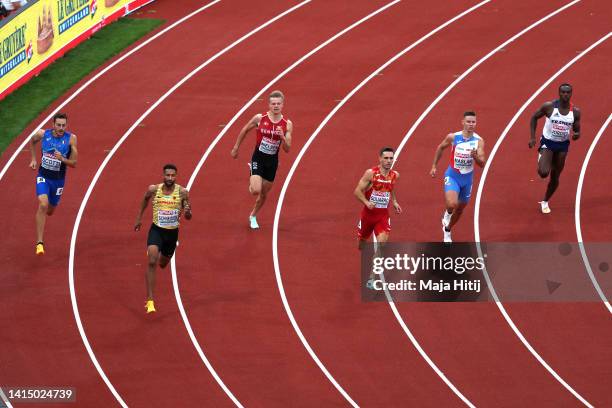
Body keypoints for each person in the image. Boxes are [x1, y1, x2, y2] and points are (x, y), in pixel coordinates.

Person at [230, 90, 292, 229]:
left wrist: (282, 137)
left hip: (272, 162)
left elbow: (287, 149)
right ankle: (253, 171)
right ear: (269, 105)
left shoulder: (287, 124)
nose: (276, 106)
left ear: (282, 105)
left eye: (278, 103)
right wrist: (236, 148)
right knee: (255, 190)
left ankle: (253, 216)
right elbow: (245, 129)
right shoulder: (260, 118)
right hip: (258, 157)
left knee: (263, 194)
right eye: (273, 103)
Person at [134, 164, 192, 314]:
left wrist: (187, 212)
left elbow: (188, 216)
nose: (170, 178)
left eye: (173, 176)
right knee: (152, 260)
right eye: (168, 175)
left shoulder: (183, 192)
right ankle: (150, 299)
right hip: (156, 230)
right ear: (163, 175)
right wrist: (139, 218)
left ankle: (165, 255)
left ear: (176, 176)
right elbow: (145, 199)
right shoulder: (154, 189)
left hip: (171, 234)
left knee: (163, 264)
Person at [430, 111, 486, 243]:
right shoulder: (453, 137)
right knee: (452, 204)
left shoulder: (479, 142)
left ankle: (447, 230)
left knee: (460, 209)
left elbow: (482, 163)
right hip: (453, 176)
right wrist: (434, 166)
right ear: (463, 122)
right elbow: (440, 147)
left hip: (467, 180)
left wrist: (475, 156)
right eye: (468, 121)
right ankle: (448, 213)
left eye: (473, 122)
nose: (471, 124)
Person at [28, 112, 78, 255]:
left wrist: (62, 158)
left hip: (58, 181)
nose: (61, 128)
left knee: (50, 211)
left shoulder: (71, 139)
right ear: (53, 125)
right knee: (43, 204)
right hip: (43, 176)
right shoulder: (43, 134)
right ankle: (39, 243)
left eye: (63, 125)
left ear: (66, 125)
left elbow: (74, 163)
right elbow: (31, 141)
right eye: (58, 125)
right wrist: (33, 159)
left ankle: (48, 208)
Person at [529, 83, 581, 214]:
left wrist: (576, 134)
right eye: (563, 92)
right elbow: (534, 117)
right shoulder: (549, 107)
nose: (565, 94)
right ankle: (543, 155)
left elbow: (576, 128)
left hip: (562, 146)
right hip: (548, 142)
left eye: (568, 92)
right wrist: (533, 138)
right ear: (559, 93)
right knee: (543, 173)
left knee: (555, 177)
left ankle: (545, 201)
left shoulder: (575, 112)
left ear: (571, 94)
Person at [354, 147, 402, 288]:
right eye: (385, 158)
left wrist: (394, 201)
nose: (388, 161)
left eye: (391, 158)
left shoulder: (395, 175)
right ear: (380, 159)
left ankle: (371, 278)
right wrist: (366, 202)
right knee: (361, 245)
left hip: (382, 217)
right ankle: (365, 247)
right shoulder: (371, 174)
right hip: (368, 216)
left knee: (381, 245)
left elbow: (391, 187)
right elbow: (356, 191)